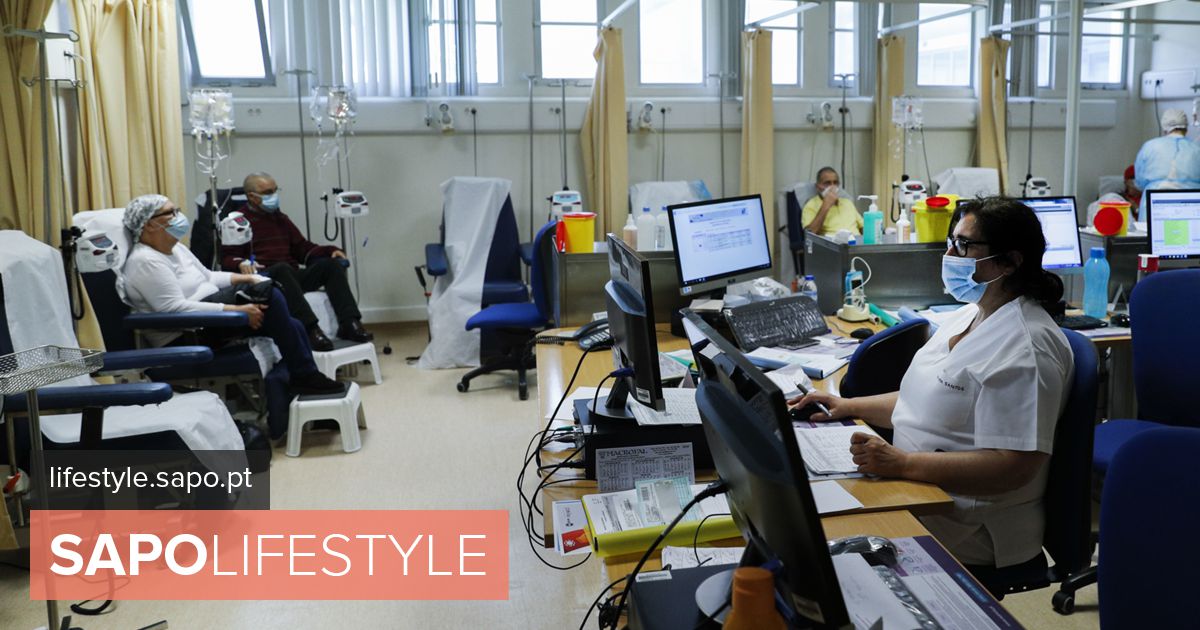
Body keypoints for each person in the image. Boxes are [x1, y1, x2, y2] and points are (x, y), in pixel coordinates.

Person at [790, 196, 1074, 574]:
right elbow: (923, 400)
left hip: (969, 525)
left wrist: (903, 464)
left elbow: (1014, 467)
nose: (950, 254)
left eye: (964, 245)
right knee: (807, 517)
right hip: (918, 491)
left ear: (1010, 261)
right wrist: (849, 406)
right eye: (951, 242)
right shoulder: (969, 315)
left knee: (825, 556)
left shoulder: (1027, 348)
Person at [121, 194, 344, 395]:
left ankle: (301, 380)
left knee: (290, 319)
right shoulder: (146, 261)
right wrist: (237, 310)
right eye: (171, 212)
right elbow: (173, 309)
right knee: (269, 294)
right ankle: (304, 376)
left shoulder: (176, 248)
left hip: (211, 319)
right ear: (149, 224)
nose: (179, 217)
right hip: (188, 332)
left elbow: (209, 276)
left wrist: (247, 278)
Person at [221, 172, 373, 352]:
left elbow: (302, 248)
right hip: (264, 280)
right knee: (282, 268)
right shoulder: (237, 222)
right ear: (252, 197)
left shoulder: (280, 219)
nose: (274, 196)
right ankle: (309, 330)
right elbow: (227, 258)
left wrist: (329, 251)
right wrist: (240, 263)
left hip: (290, 277)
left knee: (330, 266)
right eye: (268, 192)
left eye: (275, 190)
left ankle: (349, 323)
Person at [1133, 109, 1200, 193]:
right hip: (1193, 199)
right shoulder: (1196, 148)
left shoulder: (1149, 146)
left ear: (1164, 129)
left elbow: (1139, 182)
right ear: (1186, 129)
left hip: (1153, 199)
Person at [801, 166, 863, 237]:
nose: (832, 187)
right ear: (817, 187)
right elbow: (809, 234)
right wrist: (825, 206)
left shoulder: (847, 202)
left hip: (856, 241)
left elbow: (863, 227)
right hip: (832, 242)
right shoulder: (811, 205)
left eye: (835, 183)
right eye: (827, 183)